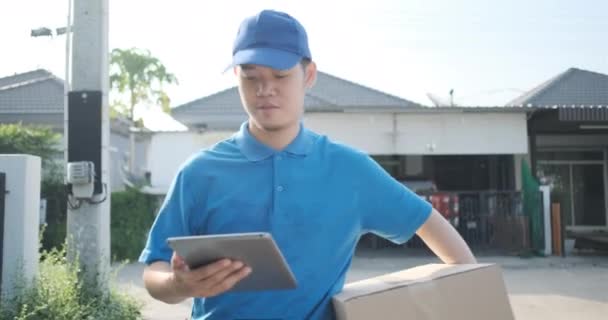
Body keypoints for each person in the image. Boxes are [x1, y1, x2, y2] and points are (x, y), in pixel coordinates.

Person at [139, 9, 476, 320]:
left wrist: (472, 294)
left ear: (309, 75)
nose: (265, 89)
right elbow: (154, 269)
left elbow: (430, 224)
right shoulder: (200, 172)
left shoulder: (350, 170)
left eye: (280, 75)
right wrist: (178, 285)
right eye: (250, 76)